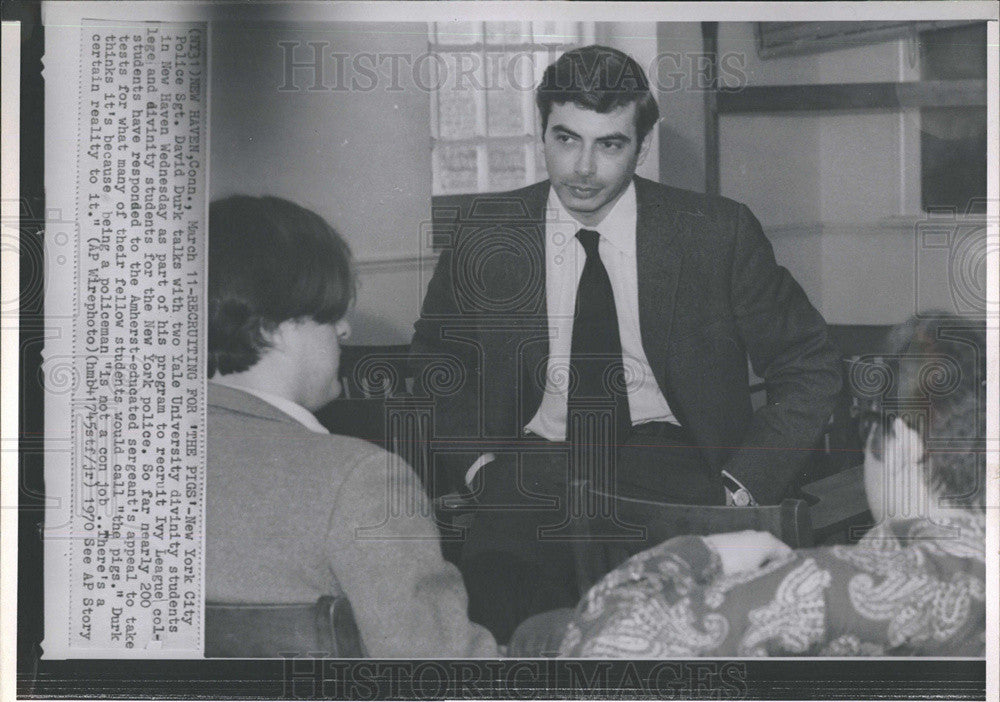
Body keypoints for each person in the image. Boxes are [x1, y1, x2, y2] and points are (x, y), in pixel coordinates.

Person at [412, 45, 842, 641]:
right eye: (566, 139)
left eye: (609, 144)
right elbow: (436, 362)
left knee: (680, 657)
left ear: (642, 147)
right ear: (542, 132)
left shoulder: (716, 233)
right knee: (512, 653)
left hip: (679, 474)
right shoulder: (489, 231)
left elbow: (810, 364)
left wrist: (743, 486)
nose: (583, 168)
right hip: (529, 477)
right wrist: (482, 467)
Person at [554, 314, 986, 657]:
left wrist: (707, 551)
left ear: (902, 447)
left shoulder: (827, 586)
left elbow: (595, 649)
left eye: (867, 425)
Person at [206, 195, 496, 658]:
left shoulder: (129, 466)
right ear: (274, 329)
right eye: (330, 313)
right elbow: (445, 677)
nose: (344, 331)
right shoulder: (361, 480)